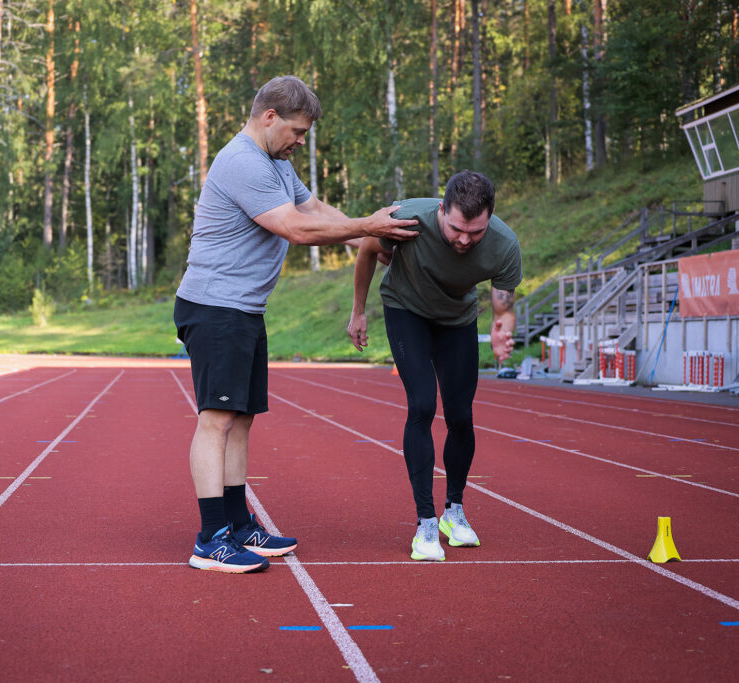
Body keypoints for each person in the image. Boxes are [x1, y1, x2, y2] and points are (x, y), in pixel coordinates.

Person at [174, 75, 420, 573]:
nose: (301, 141)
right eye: (297, 130)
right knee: (216, 420)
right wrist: (365, 225)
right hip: (215, 306)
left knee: (240, 420)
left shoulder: (276, 163)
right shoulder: (243, 161)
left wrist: (373, 240)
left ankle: (239, 525)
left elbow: (315, 210)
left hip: (242, 309)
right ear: (269, 118)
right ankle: (210, 538)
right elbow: (295, 228)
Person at [347, 170, 522, 561]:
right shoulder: (407, 218)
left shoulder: (504, 245)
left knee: (461, 415)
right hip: (405, 310)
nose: (464, 240)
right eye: (457, 228)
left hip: (456, 320)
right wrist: (359, 312)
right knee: (423, 405)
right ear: (442, 210)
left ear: (489, 219)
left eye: (475, 232)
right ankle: (425, 523)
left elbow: (503, 306)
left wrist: (500, 330)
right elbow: (366, 250)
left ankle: (453, 512)